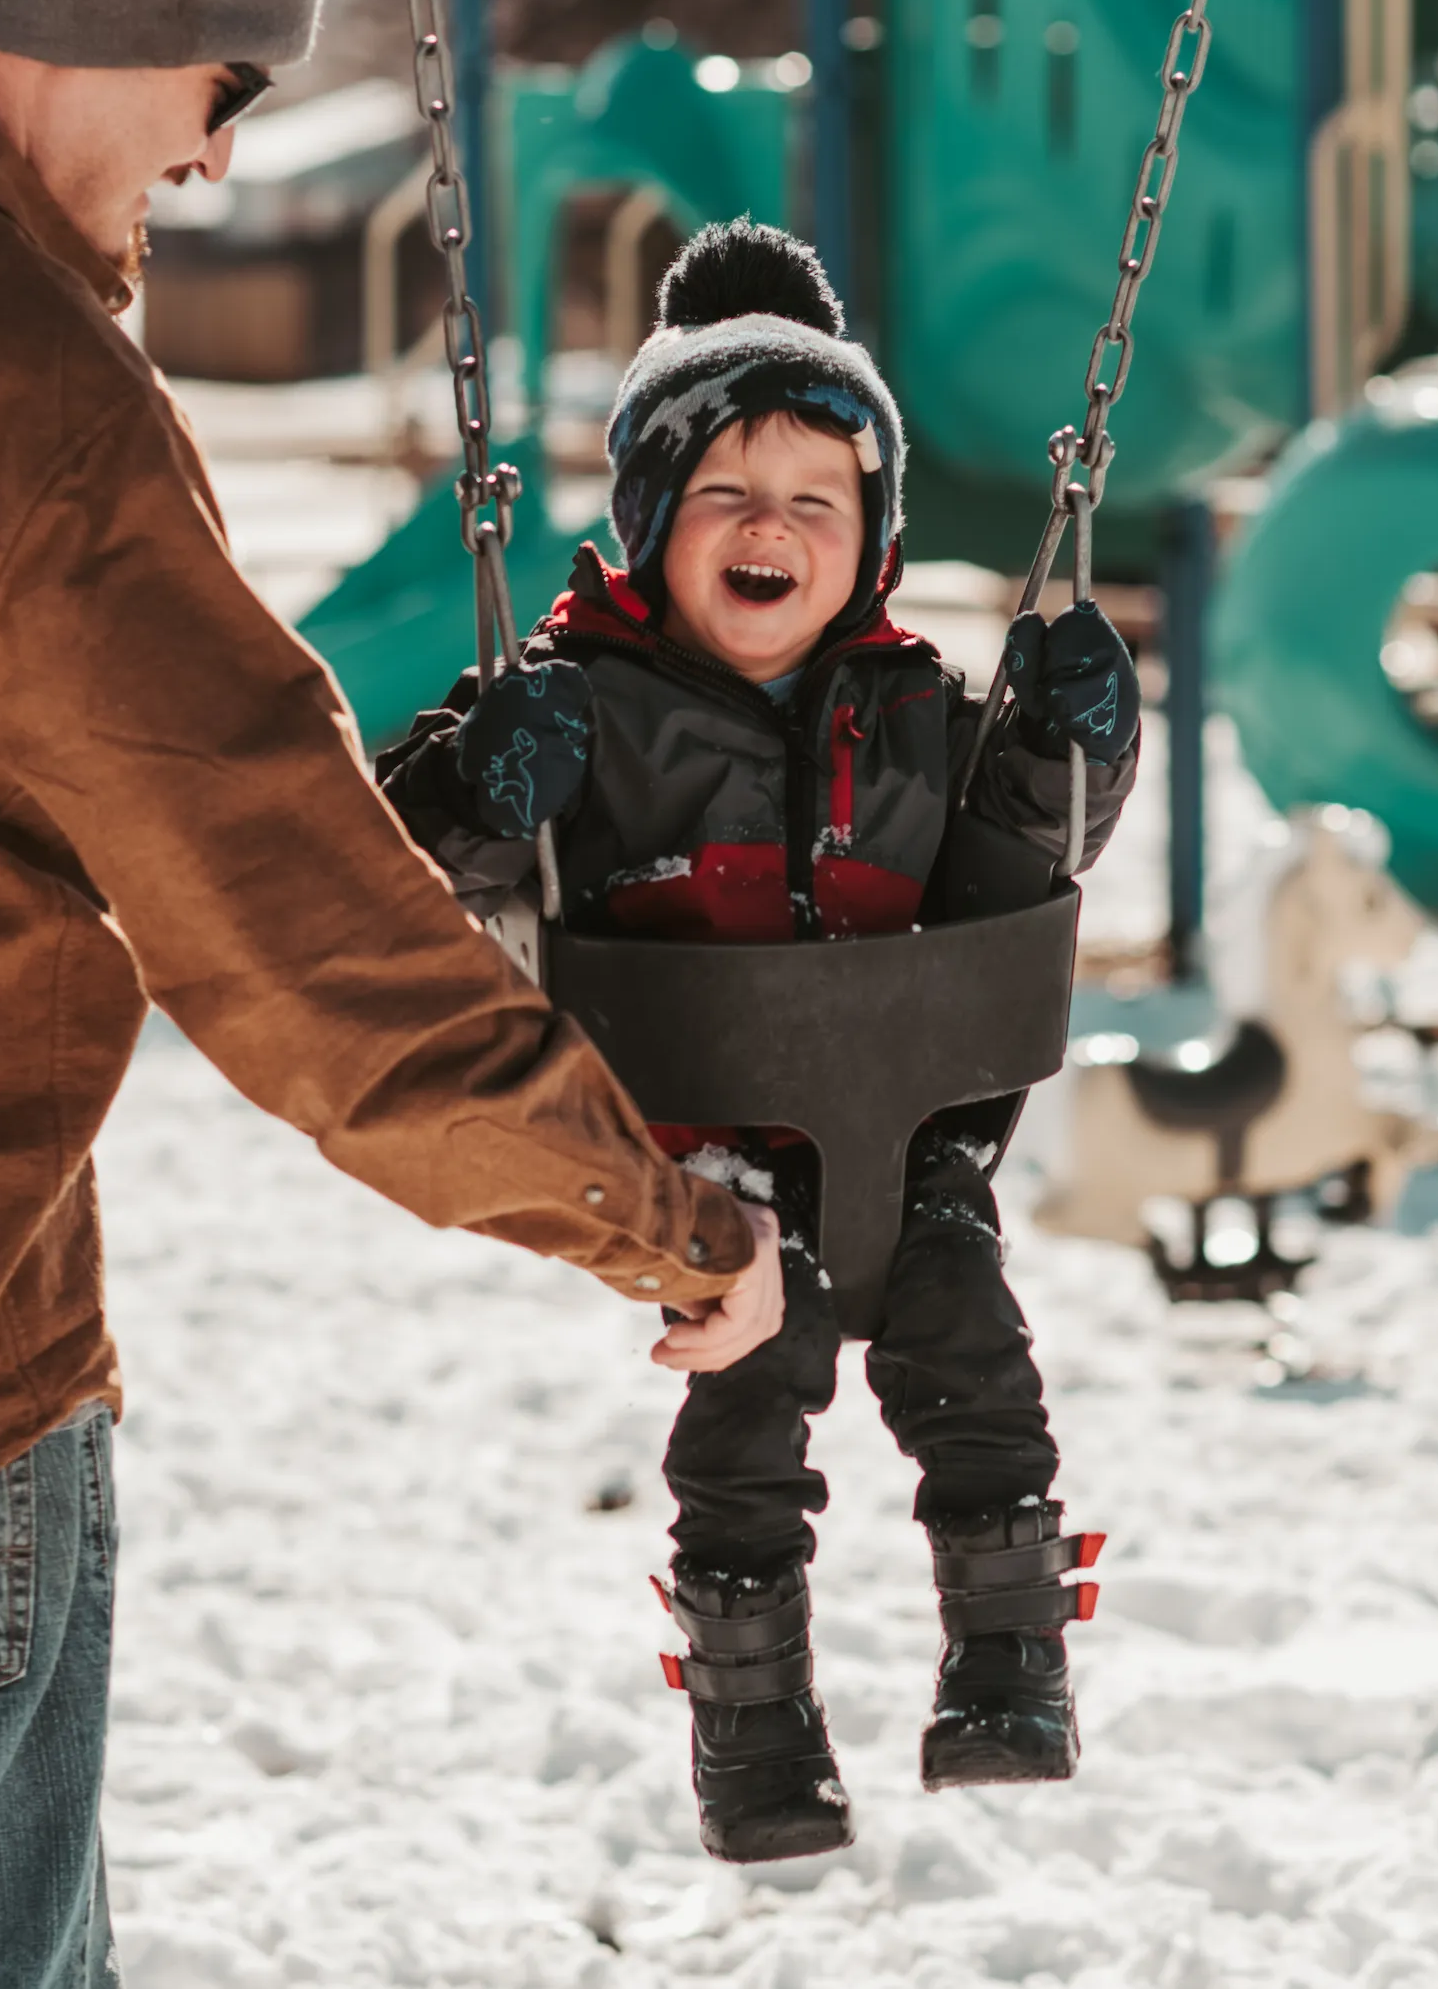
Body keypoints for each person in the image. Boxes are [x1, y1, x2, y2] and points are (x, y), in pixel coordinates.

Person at [0, 0, 782, 1989]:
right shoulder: (26, 398)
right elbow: (293, 938)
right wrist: (652, 1219)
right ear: (94, 23)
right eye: (219, 84)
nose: (209, 152)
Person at [381, 220, 1140, 1864]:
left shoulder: (921, 702)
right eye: (725, 494)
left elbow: (1014, 868)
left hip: (908, 1122)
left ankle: (1009, 1664)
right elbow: (404, 862)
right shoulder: (576, 700)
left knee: (980, 1375)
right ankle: (756, 1733)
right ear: (651, 524)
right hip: (704, 1155)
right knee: (744, 1428)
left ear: (866, 541)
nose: (769, 528)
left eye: (817, 500)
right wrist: (476, 778)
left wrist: (1074, 750)